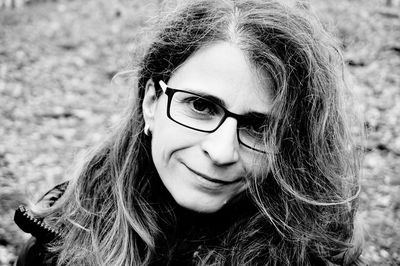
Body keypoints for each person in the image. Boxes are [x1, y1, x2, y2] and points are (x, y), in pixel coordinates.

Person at [14, 0, 365, 265]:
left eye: (259, 126)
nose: (222, 151)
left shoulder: (321, 251)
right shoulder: (58, 237)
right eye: (200, 107)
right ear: (151, 100)